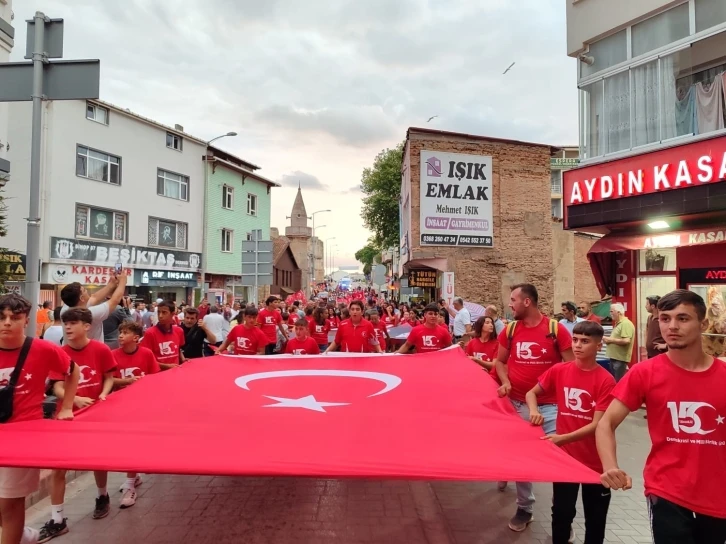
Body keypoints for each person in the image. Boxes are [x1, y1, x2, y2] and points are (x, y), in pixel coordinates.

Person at [597, 290, 726, 544]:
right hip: (666, 488)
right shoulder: (644, 373)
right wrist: (610, 466)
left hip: (718, 494)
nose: (672, 326)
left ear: (702, 324)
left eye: (683, 318)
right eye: (665, 319)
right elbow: (606, 423)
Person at [493, 283, 574, 532]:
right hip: (516, 404)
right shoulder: (510, 330)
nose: (510, 304)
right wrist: (505, 382)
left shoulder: (555, 330)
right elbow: (499, 362)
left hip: (550, 408)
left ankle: (562, 516)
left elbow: (571, 368)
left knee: (560, 462)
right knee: (521, 459)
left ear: (527, 302)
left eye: (513, 300)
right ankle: (524, 508)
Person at [527, 321, 615, 544]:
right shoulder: (559, 370)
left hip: (596, 462)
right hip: (565, 460)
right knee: (561, 514)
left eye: (585, 341)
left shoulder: (606, 380)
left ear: (598, 345)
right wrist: (534, 411)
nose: (577, 345)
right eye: (575, 340)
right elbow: (531, 393)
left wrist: (561, 438)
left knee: (595, 520)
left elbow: (598, 425)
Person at [0, 295, 78, 544]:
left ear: (26, 320)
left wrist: (66, 406)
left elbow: (72, 370)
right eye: (1, 318)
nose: (7, 323)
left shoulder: (43, 349)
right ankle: (23, 535)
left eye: (15, 317)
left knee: (10, 503)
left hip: (23, 437)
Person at [42, 307, 116, 542]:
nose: (68, 327)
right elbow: (56, 386)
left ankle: (102, 496)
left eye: (73, 323)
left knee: (98, 459)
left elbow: (109, 376)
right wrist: (74, 398)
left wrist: (103, 394)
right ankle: (57, 518)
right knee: (58, 467)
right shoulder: (59, 352)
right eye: (66, 323)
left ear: (87, 326)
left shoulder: (101, 349)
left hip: (95, 414)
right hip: (66, 415)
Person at [111, 321, 159, 509]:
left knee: (133, 442)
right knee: (122, 444)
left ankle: (129, 484)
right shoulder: (113, 355)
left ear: (136, 338)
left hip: (141, 406)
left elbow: (155, 378)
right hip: (120, 405)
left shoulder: (146, 354)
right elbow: (108, 379)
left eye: (125, 333)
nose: (121, 336)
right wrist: (127, 381)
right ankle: (134, 474)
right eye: (120, 332)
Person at [60, 272, 127, 342]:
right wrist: (122, 282)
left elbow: (95, 298)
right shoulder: (89, 314)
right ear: (82, 298)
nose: (87, 291)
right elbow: (114, 301)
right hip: (91, 351)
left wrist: (112, 284)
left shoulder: (65, 310)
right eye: (84, 290)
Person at [140, 301, 185, 370]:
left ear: (172, 314)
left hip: (176, 372)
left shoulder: (179, 331)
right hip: (158, 374)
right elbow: (146, 358)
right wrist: (166, 366)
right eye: (158, 312)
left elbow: (178, 349)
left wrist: (183, 359)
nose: (160, 316)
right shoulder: (150, 333)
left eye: (164, 312)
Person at [602, 303, 635, 382]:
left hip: (620, 359)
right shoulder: (618, 324)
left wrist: (610, 340)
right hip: (615, 358)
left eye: (611, 311)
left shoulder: (625, 324)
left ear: (619, 312)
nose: (610, 314)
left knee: (619, 382)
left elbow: (626, 341)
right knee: (615, 381)